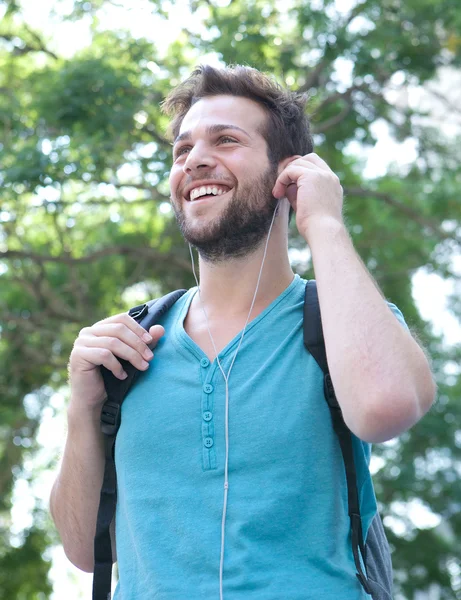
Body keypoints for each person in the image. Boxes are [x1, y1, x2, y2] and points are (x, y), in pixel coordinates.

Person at [50, 64, 436, 599]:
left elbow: (385, 408)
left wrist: (324, 223)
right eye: (182, 151)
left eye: (226, 140)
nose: (195, 161)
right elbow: (83, 546)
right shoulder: (131, 347)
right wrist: (82, 407)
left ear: (290, 172)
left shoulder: (339, 321)